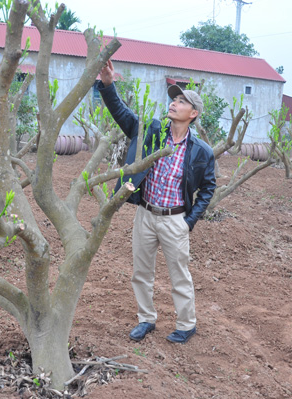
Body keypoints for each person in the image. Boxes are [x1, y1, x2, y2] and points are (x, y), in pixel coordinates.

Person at [97, 60, 216, 344]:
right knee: (141, 273)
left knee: (180, 277)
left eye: (181, 101)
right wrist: (107, 85)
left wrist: (188, 221)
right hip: (146, 214)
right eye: (173, 99)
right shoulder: (152, 131)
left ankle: (186, 324)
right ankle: (146, 319)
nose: (174, 103)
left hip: (175, 219)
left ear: (193, 113)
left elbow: (208, 188)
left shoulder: (201, 151)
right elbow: (122, 115)